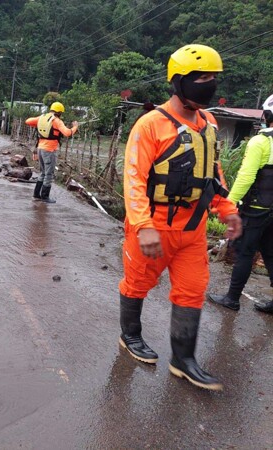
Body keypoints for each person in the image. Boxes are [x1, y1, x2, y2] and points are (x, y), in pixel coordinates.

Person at [117, 44, 242, 391]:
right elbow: (133, 178)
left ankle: (183, 359)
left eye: (213, 78)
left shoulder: (210, 124)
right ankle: (130, 336)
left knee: (192, 290)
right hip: (153, 226)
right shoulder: (151, 125)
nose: (209, 84)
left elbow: (212, 175)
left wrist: (227, 208)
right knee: (137, 283)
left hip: (192, 229)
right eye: (201, 78)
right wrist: (142, 225)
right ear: (179, 81)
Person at [207, 93, 273, 314]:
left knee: (245, 252)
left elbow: (245, 177)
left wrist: (229, 203)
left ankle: (232, 298)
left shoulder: (261, 141)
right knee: (270, 252)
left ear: (267, 114)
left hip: (256, 208)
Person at [25, 102, 78, 203]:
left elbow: (28, 121)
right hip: (49, 150)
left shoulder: (43, 117)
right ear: (59, 112)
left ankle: (37, 194)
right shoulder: (57, 121)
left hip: (40, 149)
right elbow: (67, 133)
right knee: (49, 174)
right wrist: (75, 127)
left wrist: (40, 119)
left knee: (42, 172)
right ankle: (45, 196)